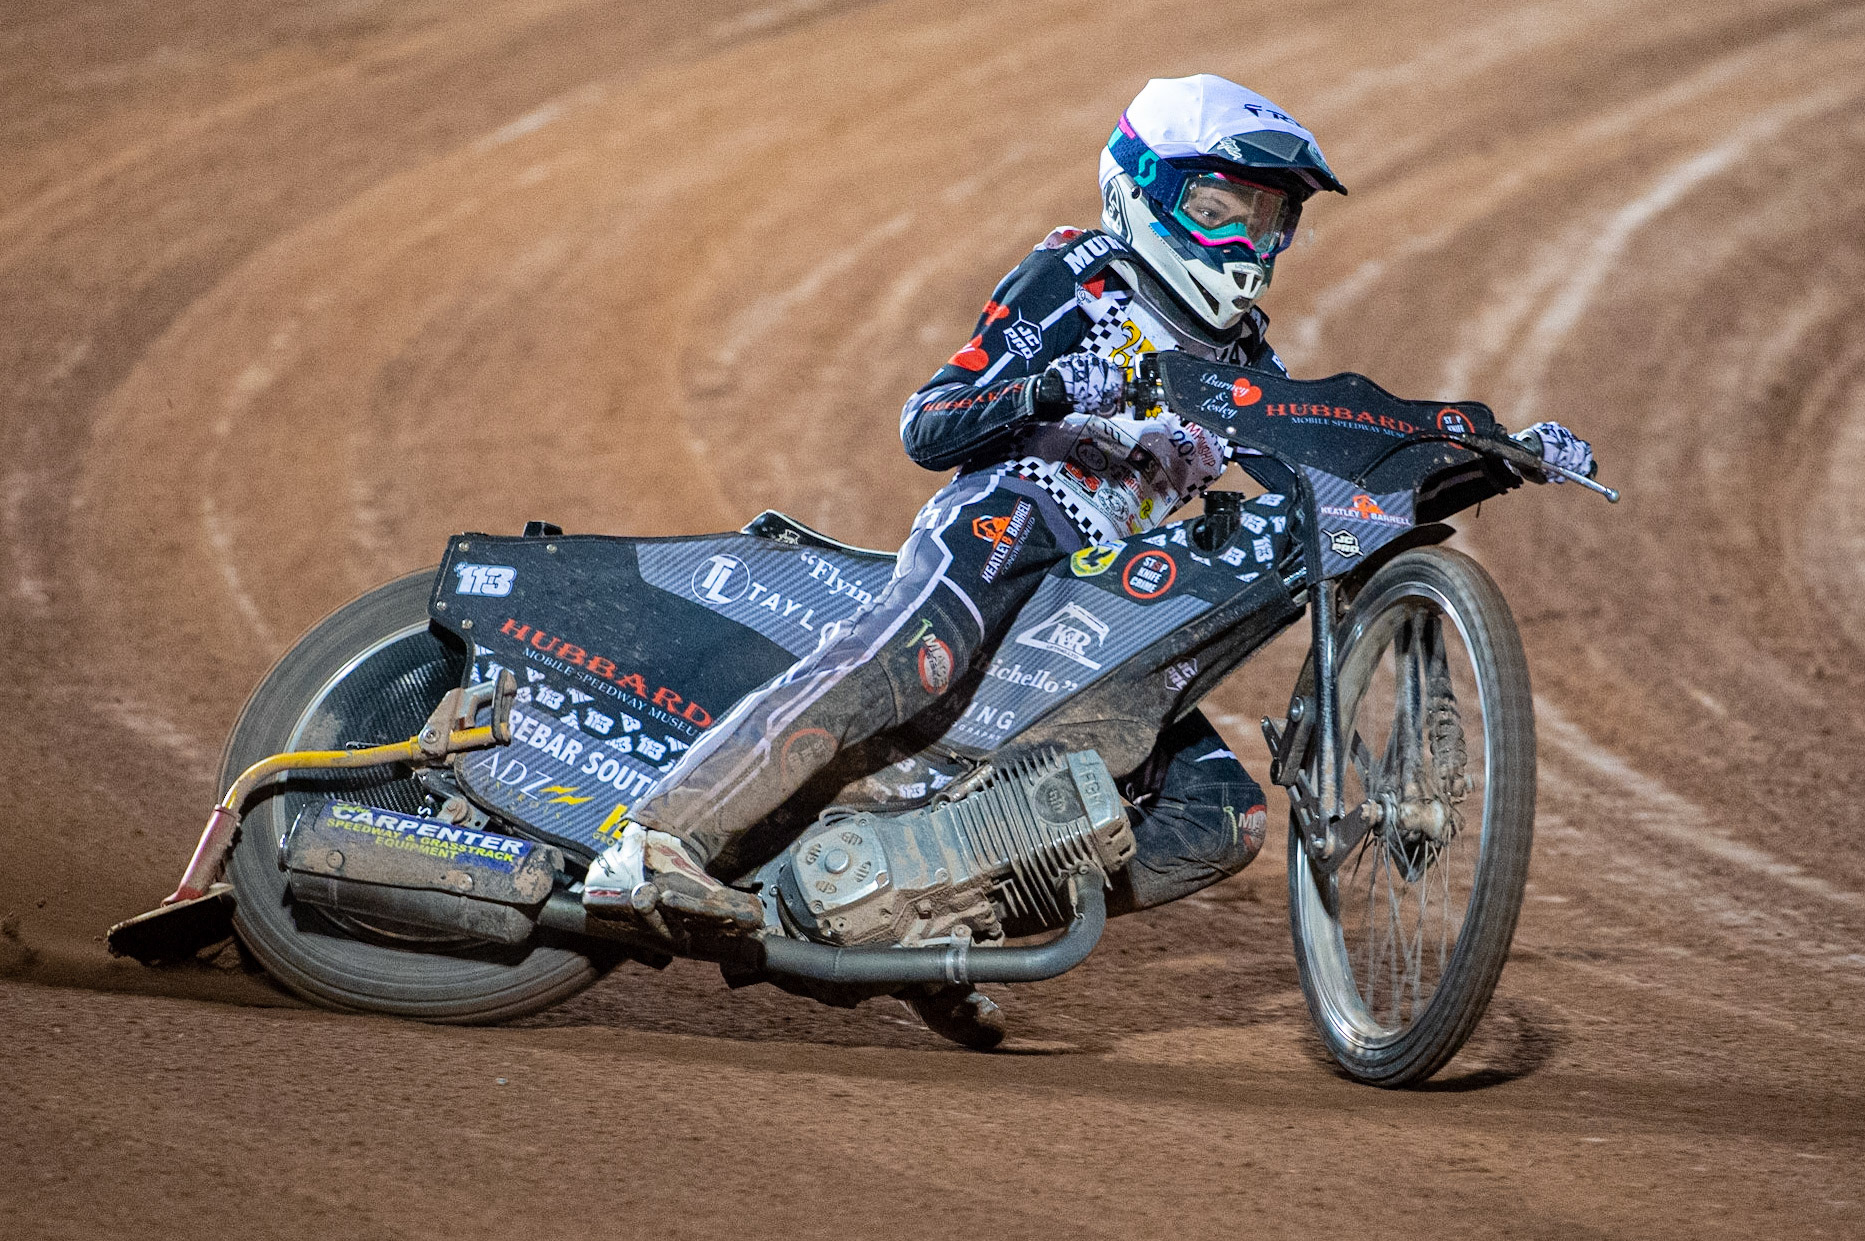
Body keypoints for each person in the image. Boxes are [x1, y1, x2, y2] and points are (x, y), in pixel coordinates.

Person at [583, 74, 1593, 1047]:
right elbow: (926, 422)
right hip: (1006, 526)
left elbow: (1320, 436)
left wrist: (1483, 441)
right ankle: (658, 839)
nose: (1247, 241)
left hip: (1103, 603)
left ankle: (931, 926)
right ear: (1142, 188)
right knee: (916, 656)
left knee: (1221, 816)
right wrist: (1050, 388)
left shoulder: (1243, 360)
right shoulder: (1075, 277)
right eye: (1221, 206)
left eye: (1267, 218)